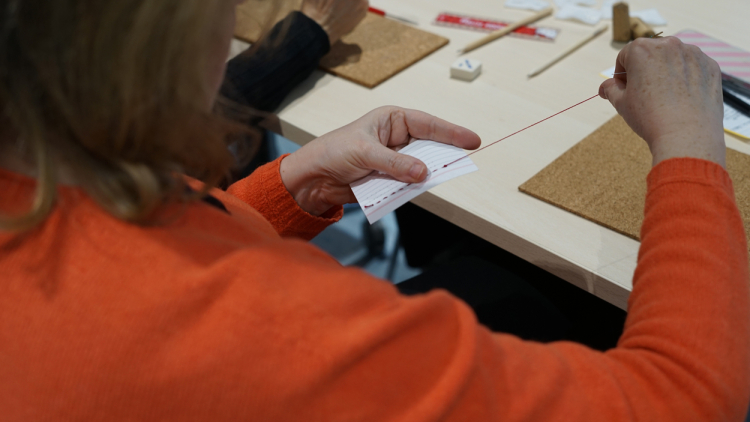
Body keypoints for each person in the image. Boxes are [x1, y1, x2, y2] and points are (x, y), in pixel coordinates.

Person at [0, 1, 748, 422]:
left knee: (504, 290)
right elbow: (687, 398)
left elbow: (150, 240)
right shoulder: (264, 329)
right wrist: (689, 138)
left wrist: (285, 191)